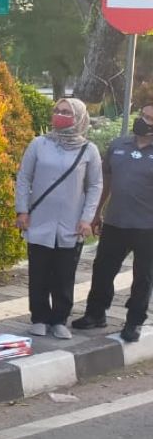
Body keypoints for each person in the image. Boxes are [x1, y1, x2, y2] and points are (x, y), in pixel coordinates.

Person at [15, 98, 101, 339]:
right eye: (57, 110)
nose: (60, 115)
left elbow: (95, 185)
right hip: (40, 220)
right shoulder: (39, 144)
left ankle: (60, 319)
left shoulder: (88, 150)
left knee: (65, 274)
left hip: (71, 223)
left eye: (66, 112)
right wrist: (22, 210)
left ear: (79, 118)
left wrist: (87, 218)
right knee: (39, 272)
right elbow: (24, 178)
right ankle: (39, 318)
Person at [72, 102, 153, 343]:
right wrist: (96, 213)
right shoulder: (119, 145)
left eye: (149, 118)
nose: (143, 120)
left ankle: (134, 321)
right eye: (142, 114)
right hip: (116, 222)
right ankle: (95, 314)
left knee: (143, 277)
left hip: (147, 227)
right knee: (103, 269)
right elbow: (105, 181)